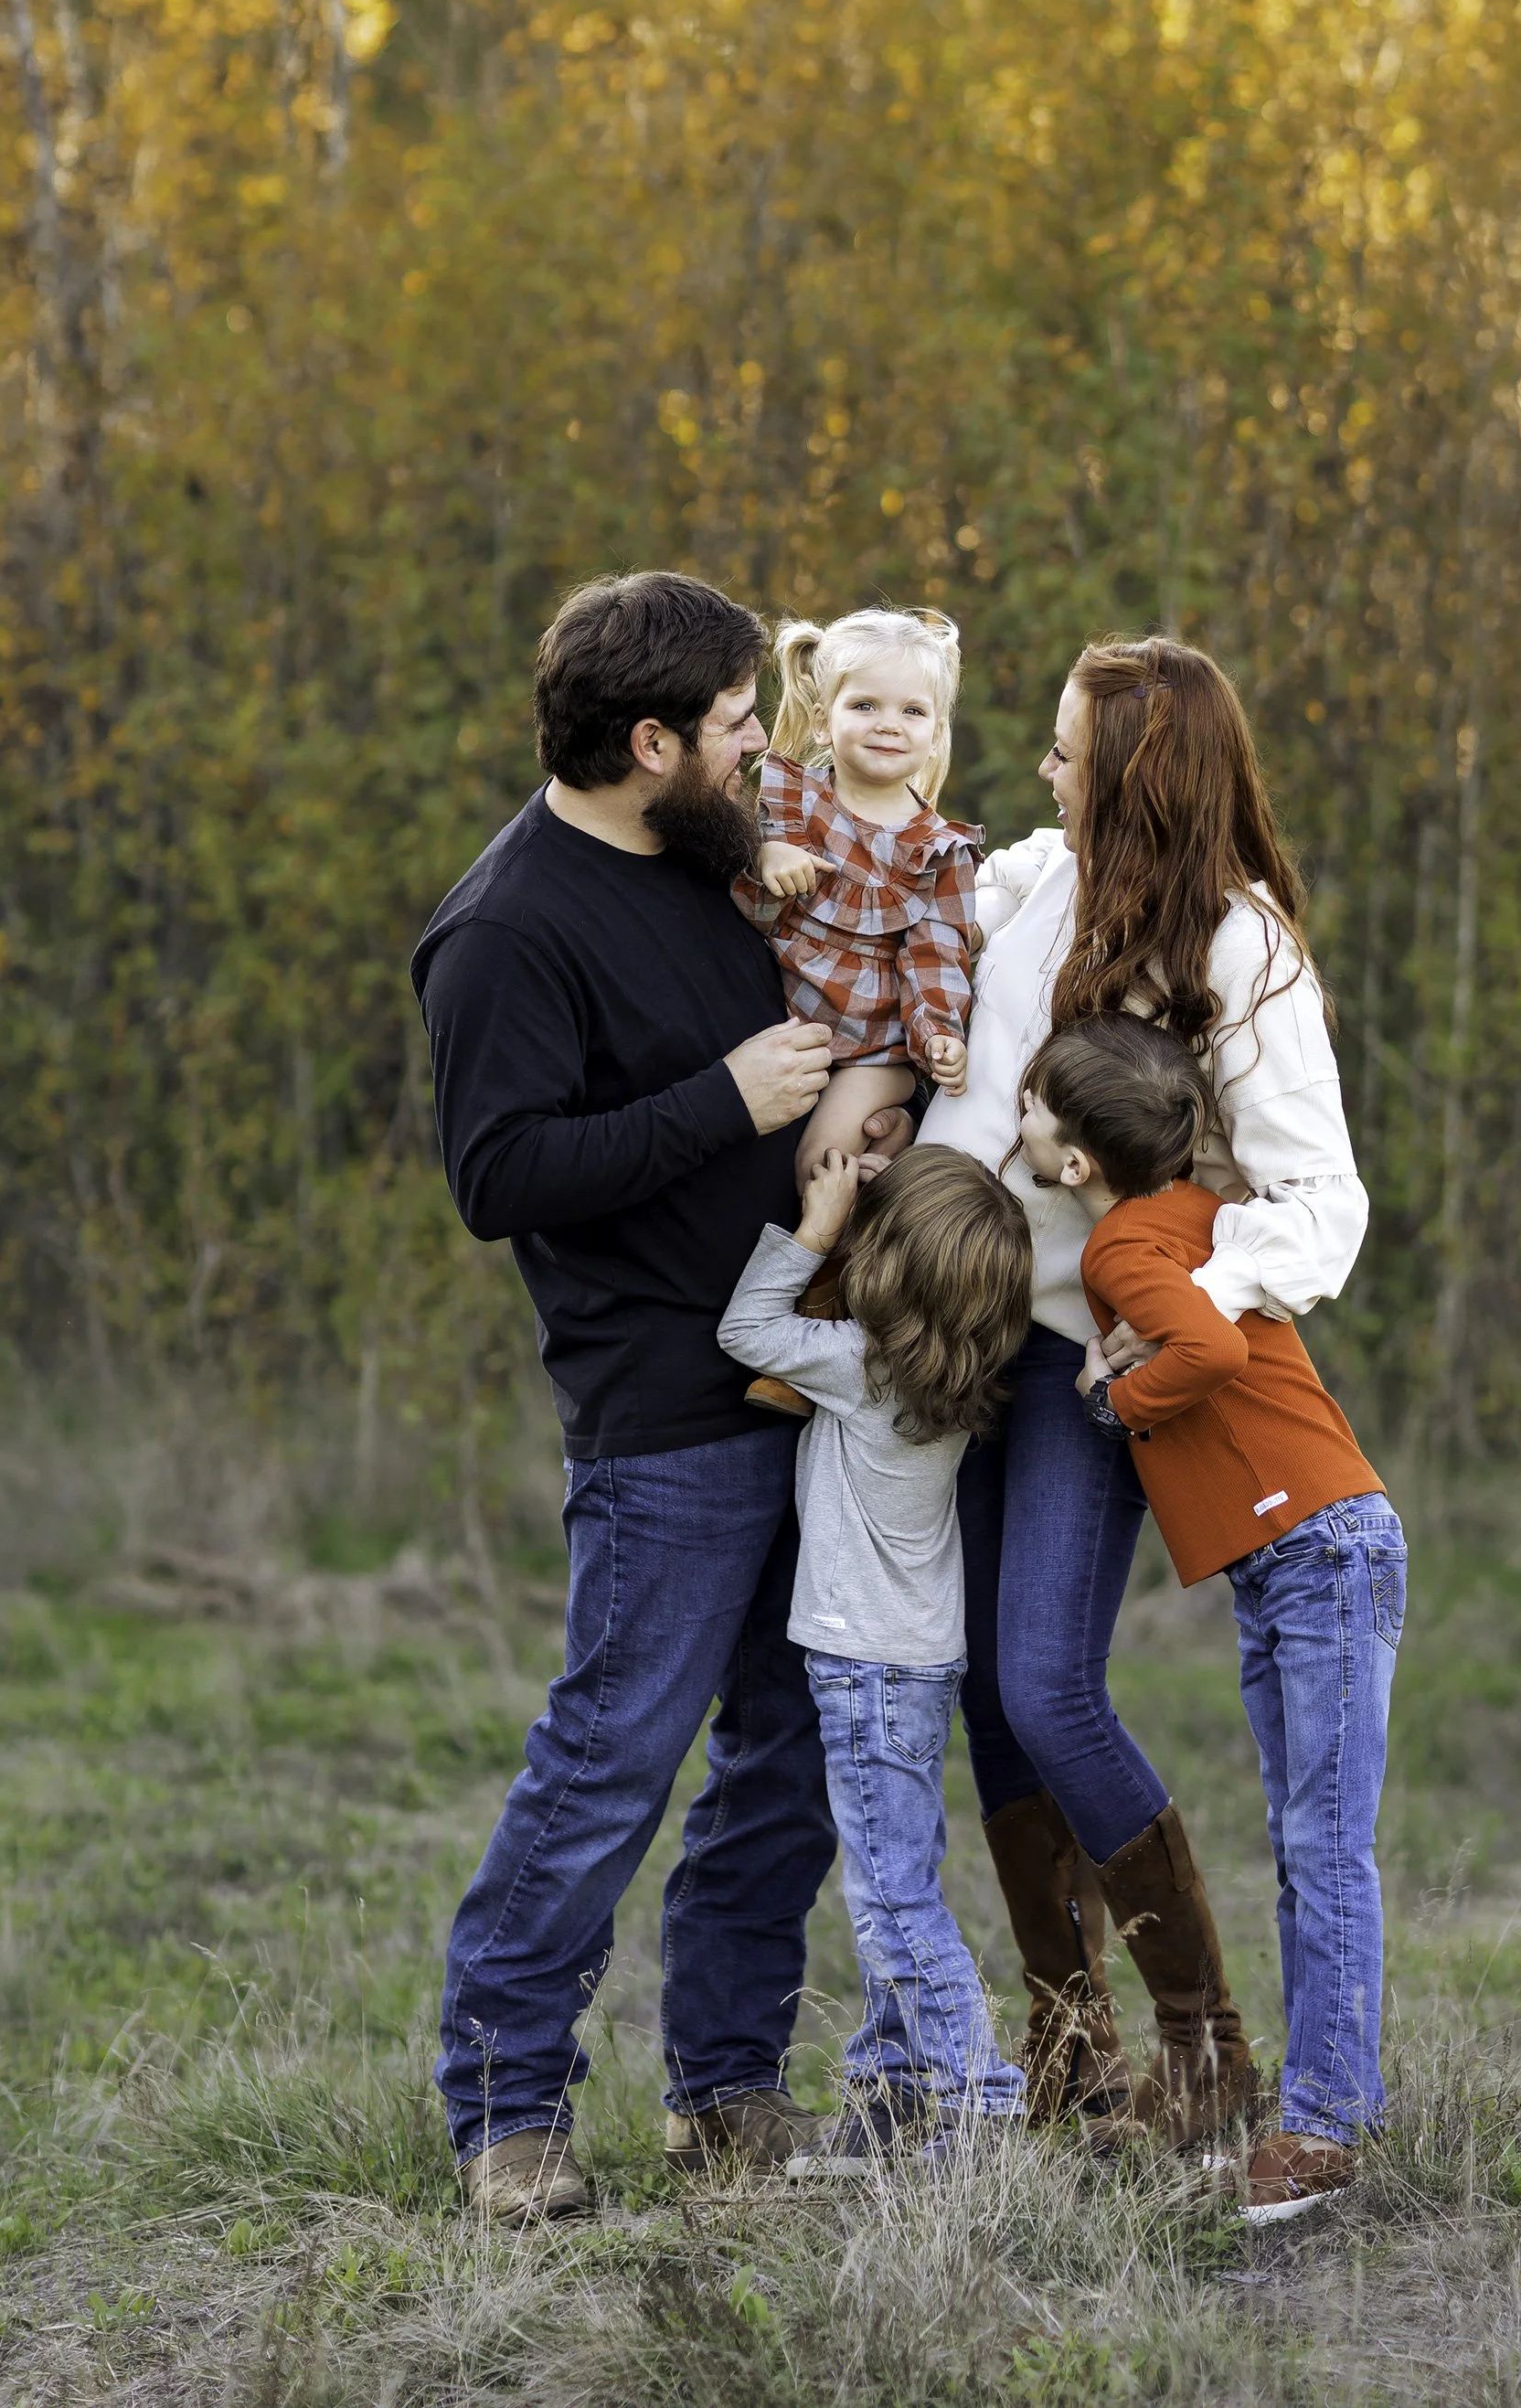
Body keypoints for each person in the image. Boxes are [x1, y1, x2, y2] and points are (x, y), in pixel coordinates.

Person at [410, 570, 912, 2224]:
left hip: (807, 1384)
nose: (759, 749)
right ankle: (503, 2114)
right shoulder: (506, 927)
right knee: (612, 1759)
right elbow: (498, 1177)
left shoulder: (718, 870)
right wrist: (719, 1102)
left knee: (786, 1755)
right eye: (731, 728)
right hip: (664, 1415)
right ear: (649, 743)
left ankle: (724, 2091)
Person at [922, 635, 1369, 2156]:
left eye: (1063, 751)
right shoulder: (1034, 881)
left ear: (1132, 776)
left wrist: (1179, 1293)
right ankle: (1069, 2054)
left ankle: (1202, 2046)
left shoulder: (1240, 952)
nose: (1041, 771)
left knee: (1044, 1682)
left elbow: (1318, 1202)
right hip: (955, 1344)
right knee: (984, 1696)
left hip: (1073, 1358)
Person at [1016, 1014, 1404, 2205]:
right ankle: (1326, 2096)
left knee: (1322, 1844)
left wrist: (1112, 1392)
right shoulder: (1201, 1213)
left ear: (1076, 1159)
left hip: (1315, 1545)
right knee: (1306, 1839)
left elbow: (1212, 1356)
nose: (1016, 1124)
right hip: (1303, 1553)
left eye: (1030, 1108)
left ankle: (1330, 2125)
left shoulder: (1122, 1251)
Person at [718, 1144, 1034, 2175]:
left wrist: (813, 1228)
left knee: (891, 1896)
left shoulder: (860, 1365)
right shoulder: (964, 1373)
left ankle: (979, 2101)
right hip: (918, 1664)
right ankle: (891, 2097)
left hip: (861, 1670)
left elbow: (745, 1329)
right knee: (901, 1875)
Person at [732, 606, 979, 1192]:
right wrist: (765, 859)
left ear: (936, 731)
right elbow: (741, 913)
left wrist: (939, 1034)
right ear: (822, 720)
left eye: (913, 711)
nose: (889, 725)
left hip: (875, 1050)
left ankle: (824, 1273)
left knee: (817, 1166)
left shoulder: (938, 852)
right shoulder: (787, 802)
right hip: (784, 1018)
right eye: (865, 705)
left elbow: (935, 958)